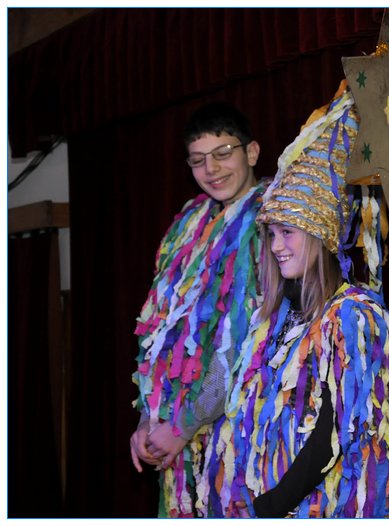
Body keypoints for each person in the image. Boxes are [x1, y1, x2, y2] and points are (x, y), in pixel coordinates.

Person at [194, 85, 389, 518]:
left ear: (319, 234)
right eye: (271, 234)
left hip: (312, 508)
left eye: (288, 232)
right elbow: (231, 401)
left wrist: (273, 505)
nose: (276, 246)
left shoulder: (354, 315)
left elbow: (336, 430)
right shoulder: (270, 317)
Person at [129, 101, 268, 517]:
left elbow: (245, 343)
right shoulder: (188, 223)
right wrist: (149, 419)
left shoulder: (271, 219)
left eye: (223, 152)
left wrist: (182, 426)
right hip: (181, 440)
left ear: (252, 152)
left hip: (241, 431)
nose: (211, 169)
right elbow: (160, 332)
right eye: (197, 159)